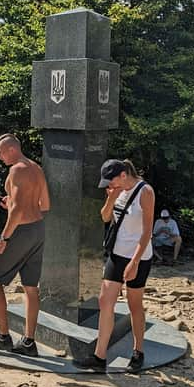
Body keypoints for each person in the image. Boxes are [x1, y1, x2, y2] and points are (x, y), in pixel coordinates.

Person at [73, 159, 154, 372]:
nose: (110, 184)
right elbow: (105, 217)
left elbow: (147, 232)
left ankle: (138, 351)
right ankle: (99, 356)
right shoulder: (118, 190)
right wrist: (111, 199)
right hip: (117, 254)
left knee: (134, 304)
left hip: (139, 256)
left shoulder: (145, 192)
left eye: (112, 180)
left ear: (124, 175)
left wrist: (135, 262)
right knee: (105, 302)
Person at [0, 134, 50, 357]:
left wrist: (4, 239)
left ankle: (3, 337)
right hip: (38, 229)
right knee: (31, 287)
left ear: (11, 149)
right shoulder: (36, 168)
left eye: (0, 152)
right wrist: (10, 203)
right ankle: (29, 342)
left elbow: (19, 210)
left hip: (21, 232)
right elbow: (44, 204)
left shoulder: (17, 170)